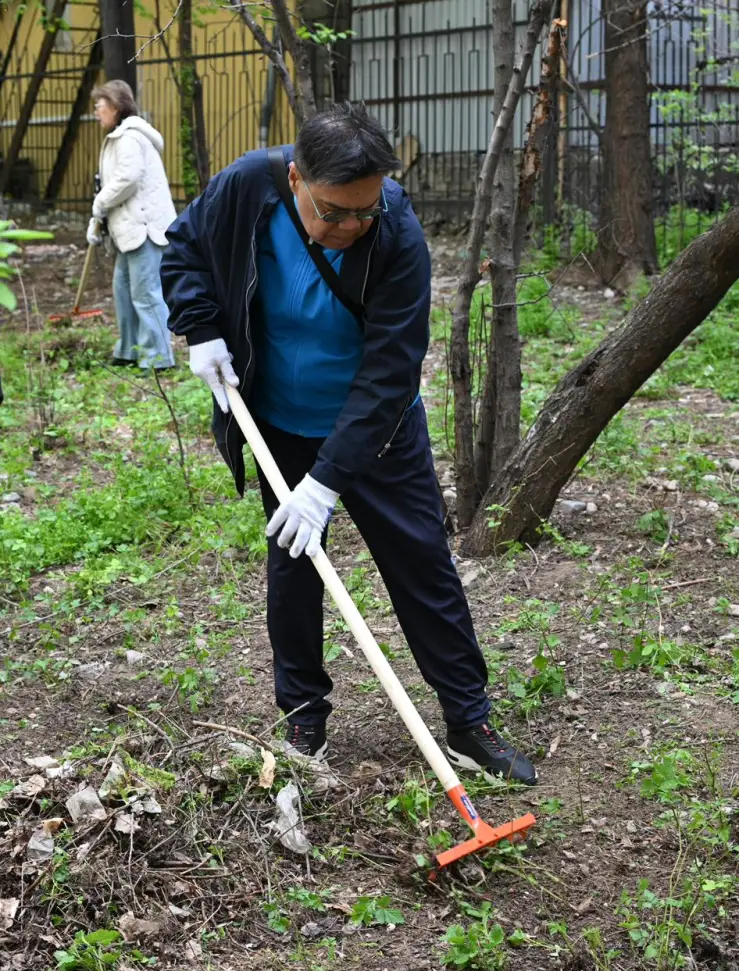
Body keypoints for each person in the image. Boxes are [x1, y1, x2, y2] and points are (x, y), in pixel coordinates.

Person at [161, 102, 537, 786]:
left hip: (377, 430)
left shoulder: (397, 235)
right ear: (296, 179)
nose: (349, 228)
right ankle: (303, 715)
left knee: (422, 565)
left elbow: (390, 373)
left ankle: (467, 720)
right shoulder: (247, 186)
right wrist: (201, 326)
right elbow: (184, 246)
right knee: (294, 568)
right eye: (333, 212)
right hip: (279, 422)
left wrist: (326, 483)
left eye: (364, 212)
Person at [87, 81, 175, 370]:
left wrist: (100, 203)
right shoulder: (119, 137)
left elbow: (128, 179)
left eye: (99, 106)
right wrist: (98, 218)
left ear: (115, 107)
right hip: (129, 229)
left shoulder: (129, 138)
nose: (96, 112)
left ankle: (158, 358)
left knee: (146, 294)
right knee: (124, 291)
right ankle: (129, 350)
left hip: (143, 228)